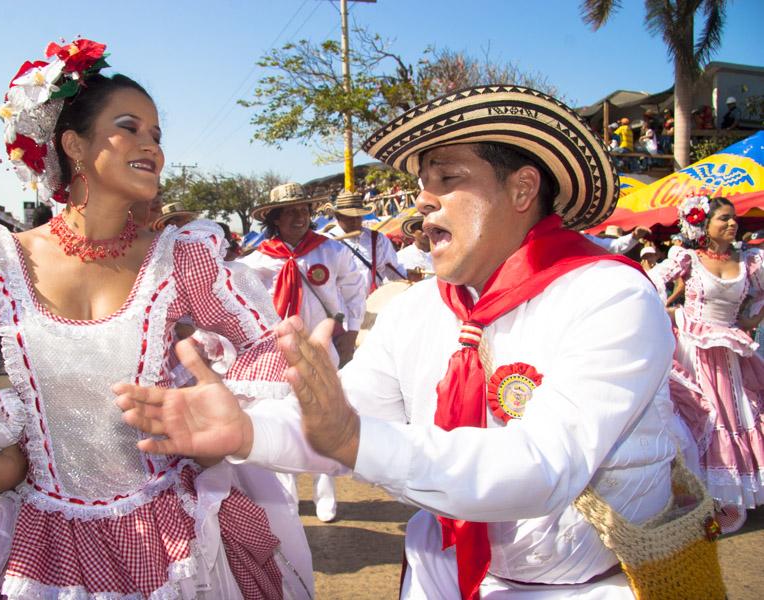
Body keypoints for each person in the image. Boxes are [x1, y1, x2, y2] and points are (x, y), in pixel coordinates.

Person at [118, 86, 722, 598]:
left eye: (447, 179)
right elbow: (343, 419)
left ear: (521, 189)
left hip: (599, 586)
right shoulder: (419, 311)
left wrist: (354, 439)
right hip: (444, 577)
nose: (421, 203)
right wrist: (247, 430)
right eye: (420, 184)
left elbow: (545, 469)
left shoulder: (610, 296)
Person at [0, 39, 312, 599]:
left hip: (172, 535)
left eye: (157, 135)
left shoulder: (182, 257)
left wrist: (210, 433)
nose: (153, 146)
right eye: (131, 127)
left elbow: (268, 344)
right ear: (74, 144)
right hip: (39, 543)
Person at [240, 182, 365, 522]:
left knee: (324, 420)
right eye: (290, 211)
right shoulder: (257, 261)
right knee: (282, 423)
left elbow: (354, 290)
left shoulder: (331, 251)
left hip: (321, 350)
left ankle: (327, 500)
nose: (299, 217)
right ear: (275, 218)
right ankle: (287, 502)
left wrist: (349, 331)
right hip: (278, 355)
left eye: (304, 211)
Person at [650, 195, 764, 533]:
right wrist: (666, 315)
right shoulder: (689, 259)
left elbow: (759, 296)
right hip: (693, 351)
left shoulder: (750, 261)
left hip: (729, 352)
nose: (732, 224)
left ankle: (729, 497)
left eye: (733, 219)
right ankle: (699, 500)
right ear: (704, 226)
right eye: (723, 219)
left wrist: (751, 320)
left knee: (736, 417)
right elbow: (653, 281)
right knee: (700, 416)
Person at [324, 189, 409, 292]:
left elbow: (393, 270)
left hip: (374, 301)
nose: (355, 221)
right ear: (338, 217)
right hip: (343, 305)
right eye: (350, 217)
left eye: (358, 216)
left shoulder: (378, 239)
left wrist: (407, 278)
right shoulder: (326, 243)